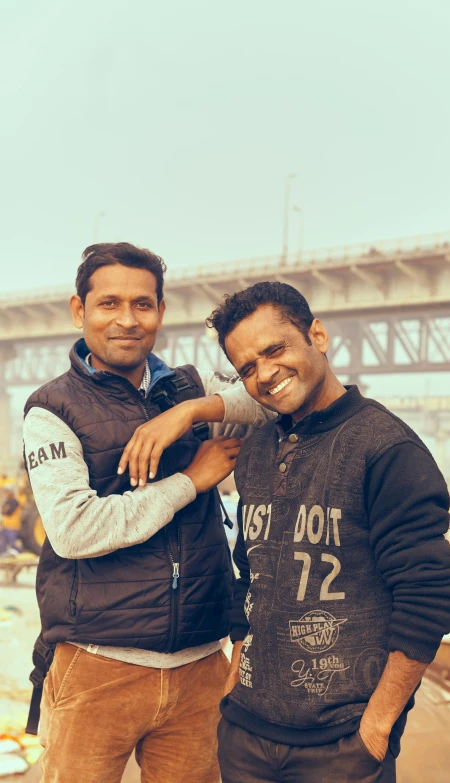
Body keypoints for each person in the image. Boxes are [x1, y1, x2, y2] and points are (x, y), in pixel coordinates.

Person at [128, 281, 450, 782]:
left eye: (275, 349)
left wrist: (377, 727)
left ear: (318, 337)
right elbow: (250, 575)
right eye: (247, 368)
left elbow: (427, 597)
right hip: (246, 735)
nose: (265, 375)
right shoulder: (258, 448)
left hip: (342, 746)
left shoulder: (387, 450)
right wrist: (234, 688)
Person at [23, 242, 274, 783]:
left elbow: (277, 397)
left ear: (160, 312)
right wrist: (191, 480)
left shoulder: (191, 387)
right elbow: (73, 530)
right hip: (96, 665)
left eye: (142, 304)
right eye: (109, 303)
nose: (127, 320)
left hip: (200, 666)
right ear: (79, 311)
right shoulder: (51, 410)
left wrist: (192, 411)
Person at [0, 489, 22, 555]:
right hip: (6, 526)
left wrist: (6, 509)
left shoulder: (15, 502)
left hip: (12, 527)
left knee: (12, 544)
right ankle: (3, 556)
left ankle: (21, 553)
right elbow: (3, 511)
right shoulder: (7, 501)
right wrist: (5, 509)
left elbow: (9, 512)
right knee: (3, 544)